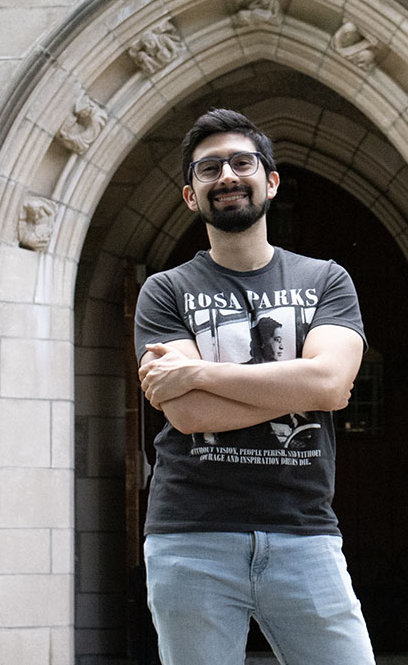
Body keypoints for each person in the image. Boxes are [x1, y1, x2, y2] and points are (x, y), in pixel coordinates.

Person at [134, 108, 375, 665]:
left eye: (242, 162)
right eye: (208, 168)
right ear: (191, 195)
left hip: (304, 532)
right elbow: (191, 415)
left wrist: (198, 372)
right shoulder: (165, 291)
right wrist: (292, 387)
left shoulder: (326, 280)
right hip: (190, 537)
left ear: (270, 181)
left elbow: (331, 385)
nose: (226, 176)